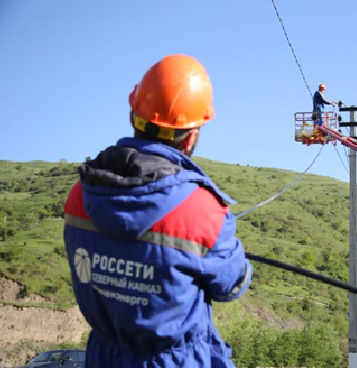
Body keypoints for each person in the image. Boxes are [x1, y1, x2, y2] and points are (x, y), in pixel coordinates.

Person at [64, 54, 252, 368]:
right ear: (192, 136)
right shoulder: (204, 211)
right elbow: (230, 285)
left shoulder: (79, 196)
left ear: (133, 114)